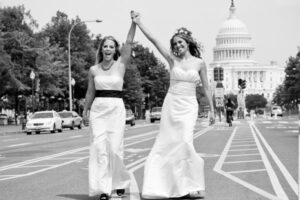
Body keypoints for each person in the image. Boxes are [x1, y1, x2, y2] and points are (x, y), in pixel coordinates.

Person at [131, 11, 215, 199]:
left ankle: (189, 185)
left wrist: (212, 111)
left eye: (180, 42)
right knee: (167, 143)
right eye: (175, 43)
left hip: (189, 105)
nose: (177, 45)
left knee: (185, 142)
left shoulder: (200, 63)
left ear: (188, 43)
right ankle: (168, 186)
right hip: (172, 103)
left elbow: (207, 88)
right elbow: (154, 40)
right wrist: (139, 23)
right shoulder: (172, 59)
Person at [82, 12, 136, 200]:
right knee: (99, 149)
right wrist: (85, 111)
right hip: (98, 110)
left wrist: (133, 23)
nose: (107, 49)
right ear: (101, 49)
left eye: (111, 47)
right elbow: (90, 92)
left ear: (115, 50)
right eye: (105, 46)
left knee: (114, 148)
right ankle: (104, 189)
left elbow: (129, 43)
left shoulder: (121, 65)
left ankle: (119, 183)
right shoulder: (93, 70)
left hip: (115, 108)